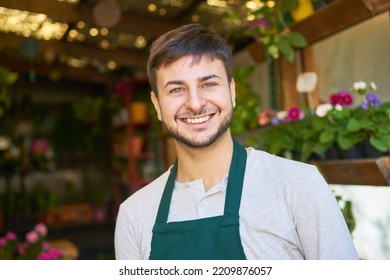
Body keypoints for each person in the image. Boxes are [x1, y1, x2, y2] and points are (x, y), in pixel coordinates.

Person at [114, 23, 358, 260]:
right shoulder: (135, 214)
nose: (195, 103)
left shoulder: (298, 186)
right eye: (177, 90)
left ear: (232, 91)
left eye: (208, 84)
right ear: (157, 105)